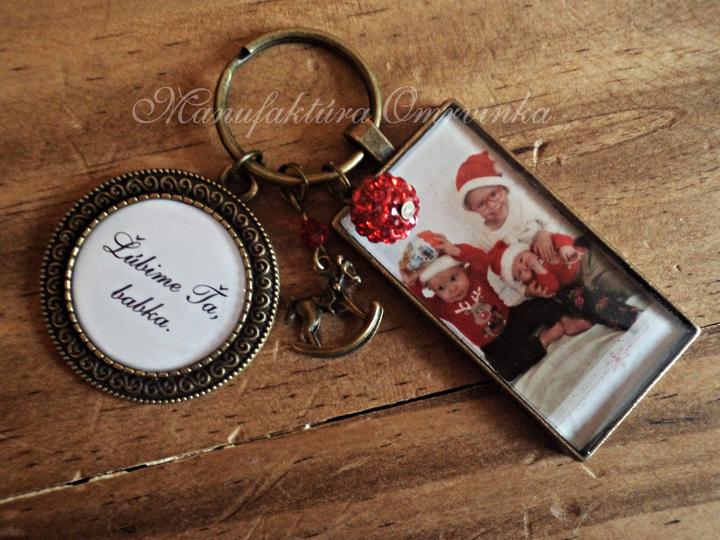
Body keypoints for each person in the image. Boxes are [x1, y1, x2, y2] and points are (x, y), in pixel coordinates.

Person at [399, 231, 590, 381]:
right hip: (494, 345)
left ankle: (566, 321)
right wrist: (411, 282)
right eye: (441, 288)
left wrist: (455, 250)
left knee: (540, 304)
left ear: (462, 267)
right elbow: (417, 300)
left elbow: (481, 258)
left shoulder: (475, 276)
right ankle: (544, 339)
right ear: (433, 291)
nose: (452, 288)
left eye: (454, 278)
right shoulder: (443, 308)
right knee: (505, 370)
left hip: (511, 318)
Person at [455, 151, 562, 305]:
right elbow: (502, 274)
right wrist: (526, 291)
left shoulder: (522, 204)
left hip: (555, 254)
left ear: (503, 189)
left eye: (493, 194)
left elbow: (554, 216)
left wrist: (544, 233)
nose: (492, 206)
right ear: (472, 209)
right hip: (534, 278)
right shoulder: (486, 238)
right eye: (481, 204)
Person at [487, 235, 641, 331]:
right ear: (521, 280)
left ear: (525, 250)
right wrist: (538, 269)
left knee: (613, 281)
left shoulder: (539, 247)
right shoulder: (535, 280)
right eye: (520, 272)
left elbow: (557, 238)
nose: (525, 266)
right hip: (578, 284)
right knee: (595, 294)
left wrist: (564, 246)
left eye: (521, 259)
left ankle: (637, 295)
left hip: (587, 262)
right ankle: (629, 315)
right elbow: (552, 286)